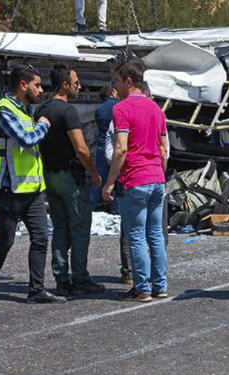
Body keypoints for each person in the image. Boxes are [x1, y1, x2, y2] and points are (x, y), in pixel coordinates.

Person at [0, 65, 64, 304]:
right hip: (9, 191)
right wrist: (45, 125)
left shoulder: (26, 111)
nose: (41, 90)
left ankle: (36, 289)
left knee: (40, 238)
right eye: (37, 85)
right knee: (5, 241)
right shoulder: (5, 111)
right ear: (22, 85)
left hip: (33, 191)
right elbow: (27, 140)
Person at [102, 60, 171, 303]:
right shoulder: (156, 109)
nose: (116, 87)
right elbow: (163, 150)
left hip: (136, 178)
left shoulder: (121, 109)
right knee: (156, 234)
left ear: (129, 82)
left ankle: (142, 287)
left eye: (118, 81)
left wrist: (110, 182)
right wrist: (160, 175)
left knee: (137, 235)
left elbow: (120, 149)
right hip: (156, 178)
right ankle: (159, 285)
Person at [37, 64, 106, 297]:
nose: (80, 87)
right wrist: (95, 173)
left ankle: (61, 278)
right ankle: (80, 278)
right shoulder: (68, 111)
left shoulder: (42, 109)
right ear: (65, 85)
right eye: (76, 83)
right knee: (79, 229)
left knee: (59, 228)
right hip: (70, 176)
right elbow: (81, 148)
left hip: (49, 175)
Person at [92, 80, 132, 285]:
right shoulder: (120, 108)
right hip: (130, 163)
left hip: (103, 149)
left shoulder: (100, 110)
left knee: (102, 180)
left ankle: (129, 272)